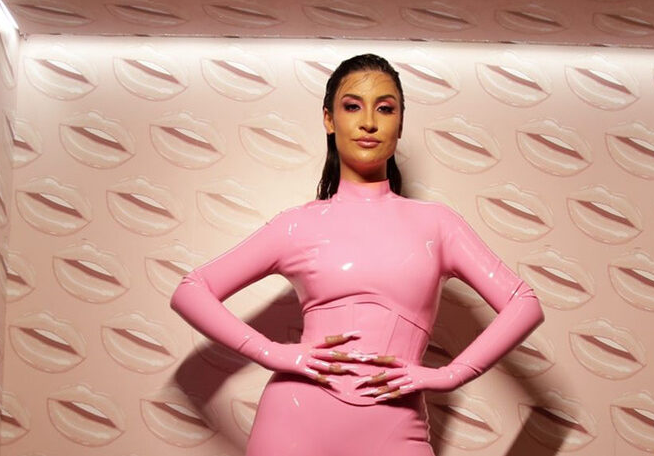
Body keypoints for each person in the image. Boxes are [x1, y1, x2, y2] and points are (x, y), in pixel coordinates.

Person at [171, 53, 544, 455]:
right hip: (294, 421)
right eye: (352, 107)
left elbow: (524, 304)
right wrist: (272, 353)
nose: (369, 122)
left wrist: (452, 375)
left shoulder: (437, 225)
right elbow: (191, 291)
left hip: (397, 427)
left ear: (400, 123)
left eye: (385, 108)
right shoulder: (296, 225)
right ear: (329, 120)